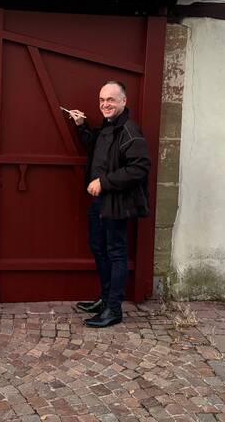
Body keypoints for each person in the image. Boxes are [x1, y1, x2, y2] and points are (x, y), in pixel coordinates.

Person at [66, 81, 151, 328]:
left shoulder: (130, 132)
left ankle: (114, 309)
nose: (105, 104)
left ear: (124, 101)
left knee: (115, 252)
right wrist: (82, 126)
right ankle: (105, 299)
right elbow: (97, 147)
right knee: (99, 249)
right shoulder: (108, 128)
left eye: (111, 100)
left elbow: (139, 168)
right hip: (99, 202)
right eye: (102, 100)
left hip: (117, 202)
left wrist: (104, 182)